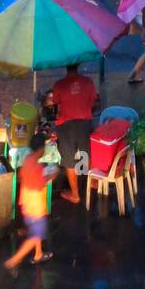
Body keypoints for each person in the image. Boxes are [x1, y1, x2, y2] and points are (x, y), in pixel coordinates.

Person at [4, 132, 55, 273]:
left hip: (26, 205)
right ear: (40, 149)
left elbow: (21, 175)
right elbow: (40, 183)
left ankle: (38, 254)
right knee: (36, 236)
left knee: (35, 231)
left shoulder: (27, 160)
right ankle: (15, 259)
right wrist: (52, 174)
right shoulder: (38, 167)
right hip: (35, 208)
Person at [49, 62, 99, 205]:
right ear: (78, 65)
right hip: (84, 122)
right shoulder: (88, 82)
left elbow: (56, 102)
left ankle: (75, 195)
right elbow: (92, 102)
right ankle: (92, 182)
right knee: (87, 152)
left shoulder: (59, 84)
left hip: (66, 125)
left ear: (65, 66)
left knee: (69, 159)